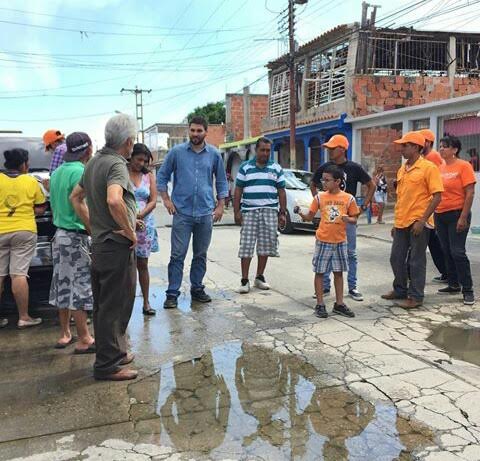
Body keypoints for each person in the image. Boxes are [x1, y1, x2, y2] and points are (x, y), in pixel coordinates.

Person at [70, 114, 139, 381]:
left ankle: (116, 353)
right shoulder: (116, 164)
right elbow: (113, 200)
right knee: (116, 304)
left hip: (101, 243)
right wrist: (129, 231)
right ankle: (108, 365)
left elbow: (76, 198)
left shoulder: (94, 162)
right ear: (129, 141)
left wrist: (94, 225)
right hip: (115, 246)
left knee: (105, 304)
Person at [157, 116, 228, 309]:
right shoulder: (176, 153)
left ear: (206, 132)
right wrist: (166, 199)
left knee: (200, 254)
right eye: (192, 130)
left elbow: (221, 181)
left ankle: (197, 289)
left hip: (206, 213)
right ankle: (172, 294)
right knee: (177, 255)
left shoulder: (214, 154)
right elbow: (161, 176)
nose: (195, 134)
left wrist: (220, 205)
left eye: (199, 131)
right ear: (188, 131)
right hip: (182, 213)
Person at [381, 131, 443, 309]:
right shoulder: (403, 169)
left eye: (405, 146)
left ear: (416, 147)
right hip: (401, 221)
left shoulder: (429, 168)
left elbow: (437, 196)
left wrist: (422, 220)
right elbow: (401, 198)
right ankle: (400, 289)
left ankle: (416, 296)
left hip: (418, 222)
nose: (401, 149)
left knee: (416, 260)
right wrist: (394, 223)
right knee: (396, 258)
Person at [310, 134, 375, 302]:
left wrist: (363, 207)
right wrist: (319, 201)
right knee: (327, 253)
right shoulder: (326, 167)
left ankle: (352, 287)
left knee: (351, 253)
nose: (330, 151)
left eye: (332, 148)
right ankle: (325, 287)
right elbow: (313, 183)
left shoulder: (354, 168)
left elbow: (371, 185)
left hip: (347, 219)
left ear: (342, 149)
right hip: (329, 220)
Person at [49, 132, 96, 352]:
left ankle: (65, 333)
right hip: (76, 236)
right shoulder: (82, 172)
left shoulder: (57, 173)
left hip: (59, 236)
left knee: (63, 284)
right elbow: (81, 204)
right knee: (80, 286)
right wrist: (93, 230)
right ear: (88, 150)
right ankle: (85, 338)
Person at [297, 165, 360, 319]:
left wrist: (348, 219)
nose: (323, 183)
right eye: (322, 180)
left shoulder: (348, 198)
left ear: (338, 181)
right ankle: (320, 304)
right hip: (323, 240)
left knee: (338, 273)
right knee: (320, 272)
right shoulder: (319, 197)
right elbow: (310, 216)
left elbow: (355, 218)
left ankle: (339, 304)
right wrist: (301, 213)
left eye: (327, 180)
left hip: (340, 241)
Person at [0, 148, 46, 328]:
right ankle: (24, 317)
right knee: (18, 274)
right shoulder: (31, 181)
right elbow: (41, 208)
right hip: (24, 231)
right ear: (24, 164)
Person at [233, 137, 287, 293]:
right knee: (246, 245)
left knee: (265, 245)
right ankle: (244, 280)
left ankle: (259, 277)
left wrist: (282, 213)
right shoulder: (245, 168)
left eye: (268, 150)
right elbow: (238, 190)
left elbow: (281, 191)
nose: (265, 153)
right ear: (256, 150)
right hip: (249, 211)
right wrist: (237, 211)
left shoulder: (276, 168)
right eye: (262, 150)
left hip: (270, 211)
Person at [435, 136, 476, 305]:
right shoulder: (439, 168)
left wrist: (463, 217)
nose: (441, 149)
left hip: (457, 214)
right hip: (440, 214)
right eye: (441, 146)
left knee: (457, 251)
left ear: (454, 150)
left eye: (445, 147)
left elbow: (470, 193)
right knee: (446, 250)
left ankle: (468, 289)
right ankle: (453, 284)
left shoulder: (464, 166)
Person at [128, 143, 158, 316]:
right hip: (125, 224)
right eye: (139, 159)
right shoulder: (121, 173)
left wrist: (139, 215)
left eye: (144, 161)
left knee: (143, 264)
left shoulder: (149, 176)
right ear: (131, 156)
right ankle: (126, 304)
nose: (141, 163)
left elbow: (153, 200)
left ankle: (146, 302)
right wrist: (130, 218)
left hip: (145, 225)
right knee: (126, 266)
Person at [419, 129, 448, 284]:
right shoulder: (426, 157)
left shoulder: (433, 157)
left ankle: (448, 272)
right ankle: (446, 272)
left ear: (428, 143)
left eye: (421, 141)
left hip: (434, 207)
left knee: (433, 242)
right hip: (430, 207)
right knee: (434, 243)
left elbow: (436, 183)